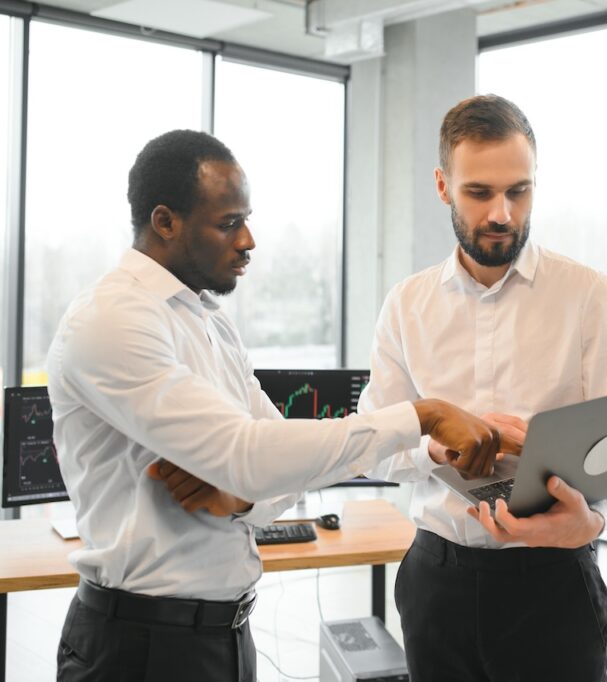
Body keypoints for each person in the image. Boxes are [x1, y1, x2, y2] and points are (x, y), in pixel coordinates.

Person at [45, 129, 501, 682]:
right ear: (165, 222)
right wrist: (419, 417)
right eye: (228, 222)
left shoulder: (209, 323)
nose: (249, 240)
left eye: (246, 219)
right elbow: (252, 454)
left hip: (224, 639)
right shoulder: (112, 320)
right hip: (138, 647)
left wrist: (239, 496)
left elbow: (273, 469)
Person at [358, 94, 607, 682]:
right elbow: (374, 441)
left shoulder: (591, 298)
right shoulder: (406, 306)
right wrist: (432, 447)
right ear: (442, 186)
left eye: (519, 190)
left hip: (554, 579)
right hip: (437, 579)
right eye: (479, 192)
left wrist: (595, 522)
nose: (503, 214)